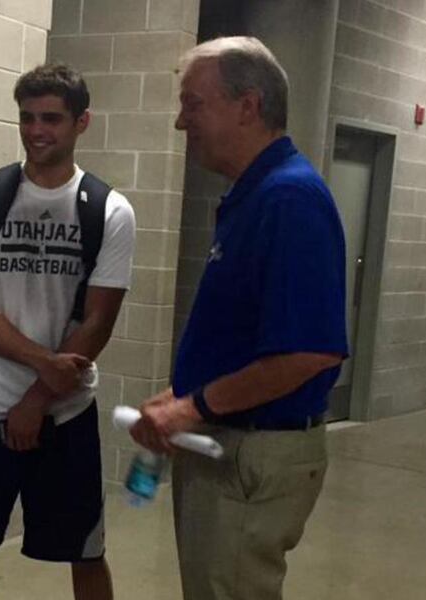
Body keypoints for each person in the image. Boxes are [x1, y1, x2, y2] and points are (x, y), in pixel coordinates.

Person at [130, 37, 348, 600]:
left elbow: (309, 351)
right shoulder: (251, 195)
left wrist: (194, 406)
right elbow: (246, 335)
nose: (182, 122)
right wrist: (181, 393)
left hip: (251, 452)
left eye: (193, 104)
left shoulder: (289, 199)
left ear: (247, 106)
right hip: (228, 438)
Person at [0, 63, 136, 600]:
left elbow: (98, 321)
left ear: (81, 123)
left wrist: (39, 397)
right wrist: (42, 363)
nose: (36, 131)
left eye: (51, 118)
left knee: (86, 550)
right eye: (27, 118)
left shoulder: (109, 211)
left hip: (65, 407)